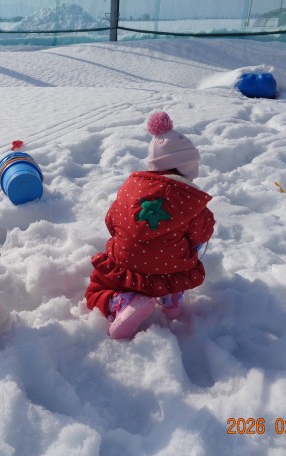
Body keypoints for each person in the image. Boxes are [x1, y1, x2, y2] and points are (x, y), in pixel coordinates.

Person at [85, 111, 215, 340]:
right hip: (171, 268)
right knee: (185, 252)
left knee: (97, 287)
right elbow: (202, 235)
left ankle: (121, 302)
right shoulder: (192, 202)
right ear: (189, 168)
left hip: (128, 265)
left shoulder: (130, 189)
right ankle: (171, 295)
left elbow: (111, 221)